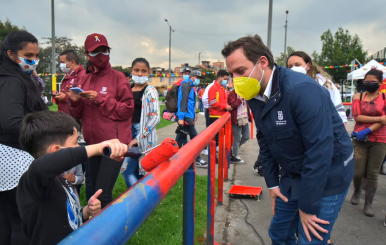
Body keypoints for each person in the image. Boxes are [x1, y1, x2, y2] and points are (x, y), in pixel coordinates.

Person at [222, 35, 354, 245]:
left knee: (310, 240)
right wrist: (273, 183)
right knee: (280, 234)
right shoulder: (253, 91)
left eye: (240, 71)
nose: (234, 80)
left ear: (263, 62)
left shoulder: (303, 90)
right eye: (231, 74)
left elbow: (319, 152)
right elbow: (265, 139)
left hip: (329, 173)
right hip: (294, 172)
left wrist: (308, 208)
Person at [17, 110, 128, 245]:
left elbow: (68, 220)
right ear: (56, 151)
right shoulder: (33, 181)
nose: (78, 147)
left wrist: (86, 211)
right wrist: (98, 148)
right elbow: (42, 165)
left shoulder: (62, 179)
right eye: (75, 143)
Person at [66, 33, 134, 208]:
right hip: (92, 143)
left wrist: (99, 99)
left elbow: (127, 110)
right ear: (87, 55)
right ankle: (93, 228)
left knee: (102, 194)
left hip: (114, 145)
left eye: (104, 50)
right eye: (95, 52)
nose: (101, 55)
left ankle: (109, 232)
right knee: (92, 191)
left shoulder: (119, 78)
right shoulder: (84, 78)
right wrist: (74, 101)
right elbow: (79, 113)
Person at [0, 30, 47, 245]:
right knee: (21, 220)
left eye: (37, 56)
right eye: (29, 56)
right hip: (14, 159)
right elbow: (11, 123)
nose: (34, 61)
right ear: (11, 54)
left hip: (10, 156)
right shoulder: (11, 81)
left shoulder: (18, 77)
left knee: (7, 219)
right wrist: (44, 137)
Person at [350, 68, 386, 217]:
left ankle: (368, 203)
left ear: (380, 82)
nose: (369, 84)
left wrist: (367, 130)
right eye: (366, 81)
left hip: (380, 140)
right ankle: (357, 190)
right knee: (357, 172)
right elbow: (357, 116)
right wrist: (378, 119)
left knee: (373, 174)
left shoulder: (384, 98)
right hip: (359, 139)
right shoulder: (358, 96)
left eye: (373, 82)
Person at [120, 58, 160, 188]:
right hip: (127, 132)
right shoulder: (128, 89)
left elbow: (155, 118)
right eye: (136, 70)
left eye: (144, 71)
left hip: (142, 133)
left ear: (148, 72)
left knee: (127, 170)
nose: (140, 74)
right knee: (137, 170)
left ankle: (138, 200)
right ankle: (145, 198)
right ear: (131, 71)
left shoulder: (150, 91)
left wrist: (139, 137)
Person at [287, 51, 348, 129]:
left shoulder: (324, 83)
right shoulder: (287, 85)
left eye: (297, 65)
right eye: (290, 66)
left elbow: (338, 110)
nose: (293, 68)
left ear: (308, 65)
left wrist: (344, 134)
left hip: (323, 130)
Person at [176, 70, 208, 168]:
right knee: (195, 138)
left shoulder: (191, 86)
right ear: (192, 77)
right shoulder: (186, 85)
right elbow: (183, 101)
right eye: (197, 78)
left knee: (180, 139)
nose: (198, 80)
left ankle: (171, 156)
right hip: (185, 116)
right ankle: (197, 159)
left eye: (199, 78)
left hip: (188, 115)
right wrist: (181, 117)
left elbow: (191, 102)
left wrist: (195, 114)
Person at [53, 50, 86, 114]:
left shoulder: (83, 75)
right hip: (63, 115)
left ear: (72, 62)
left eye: (62, 62)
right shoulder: (68, 75)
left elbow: (83, 98)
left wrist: (65, 97)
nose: (60, 65)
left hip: (73, 117)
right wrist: (58, 96)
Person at [208, 70, 232, 146]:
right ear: (219, 78)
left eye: (227, 80)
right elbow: (212, 102)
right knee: (216, 138)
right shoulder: (213, 88)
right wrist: (225, 106)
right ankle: (214, 156)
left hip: (222, 115)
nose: (226, 81)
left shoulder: (222, 88)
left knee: (221, 136)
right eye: (225, 79)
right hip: (215, 116)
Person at [228, 87, 251, 162]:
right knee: (237, 137)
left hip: (244, 117)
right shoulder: (232, 93)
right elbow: (232, 106)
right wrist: (240, 99)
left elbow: (247, 106)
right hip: (236, 118)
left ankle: (234, 149)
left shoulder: (245, 93)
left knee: (247, 136)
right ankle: (235, 155)